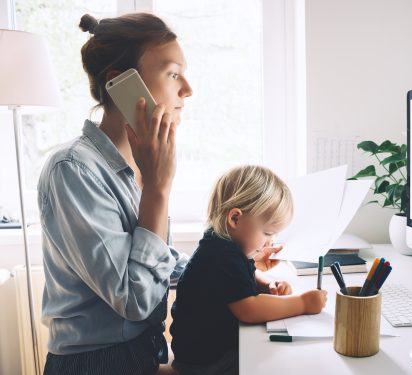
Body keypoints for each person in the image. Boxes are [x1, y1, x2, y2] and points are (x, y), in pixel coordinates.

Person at [38, 12, 283, 374]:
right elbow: (135, 299)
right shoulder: (72, 170)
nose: (187, 89)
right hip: (96, 364)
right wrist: (157, 188)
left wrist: (232, 275)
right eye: (172, 73)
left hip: (145, 354)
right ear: (120, 83)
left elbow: (157, 262)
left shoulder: (135, 165)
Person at [170, 165, 328, 375]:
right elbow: (249, 310)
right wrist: (303, 303)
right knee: (278, 363)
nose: (269, 241)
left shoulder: (221, 244)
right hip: (205, 364)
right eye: (267, 232)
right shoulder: (222, 255)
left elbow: (243, 277)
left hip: (204, 354)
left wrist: (266, 285)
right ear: (235, 218)